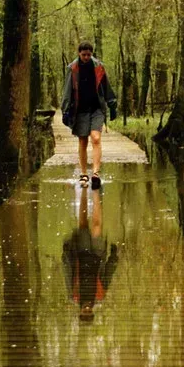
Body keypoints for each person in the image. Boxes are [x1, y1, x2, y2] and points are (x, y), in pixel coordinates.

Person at [61, 42, 117, 189]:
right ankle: (84, 174)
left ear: (92, 54)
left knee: (96, 138)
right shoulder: (72, 69)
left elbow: (106, 86)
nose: (86, 57)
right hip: (80, 110)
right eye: (83, 54)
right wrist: (65, 110)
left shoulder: (99, 67)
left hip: (97, 108)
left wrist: (112, 104)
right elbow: (67, 90)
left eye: (88, 54)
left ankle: (96, 173)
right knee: (83, 141)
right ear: (79, 53)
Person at [62, 182, 119, 322]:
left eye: (84, 313)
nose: (87, 310)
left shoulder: (74, 296)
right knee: (97, 225)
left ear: (80, 312)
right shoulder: (99, 296)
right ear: (92, 312)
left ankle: (84, 189)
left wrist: (65, 255)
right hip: (97, 255)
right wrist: (113, 257)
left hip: (80, 253)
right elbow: (107, 275)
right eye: (89, 313)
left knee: (82, 222)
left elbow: (68, 273)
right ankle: (95, 191)